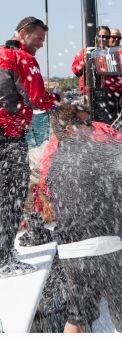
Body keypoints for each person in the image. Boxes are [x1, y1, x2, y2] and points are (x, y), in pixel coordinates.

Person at [46, 103, 122, 333]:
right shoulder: (98, 152)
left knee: (77, 316)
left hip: (71, 254)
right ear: (70, 129)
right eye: (86, 123)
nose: (92, 127)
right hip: (106, 249)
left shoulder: (55, 163)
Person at [0, 16, 60, 278]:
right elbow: (37, 99)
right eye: (38, 39)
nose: (40, 45)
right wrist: (55, 100)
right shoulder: (22, 59)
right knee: (11, 198)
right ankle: (4, 260)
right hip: (8, 136)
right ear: (23, 34)